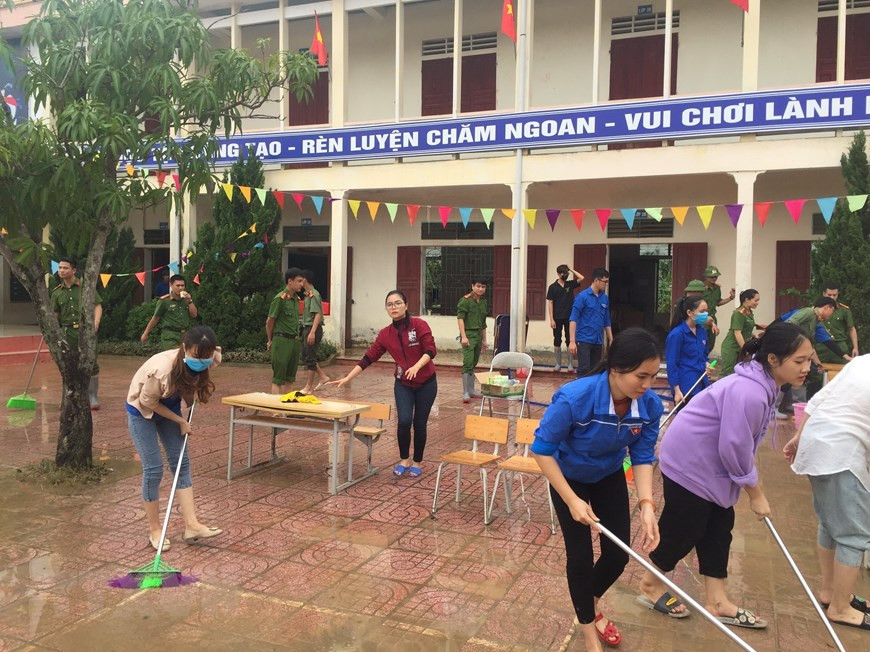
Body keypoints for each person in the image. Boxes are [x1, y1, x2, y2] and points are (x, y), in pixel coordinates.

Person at [638, 322, 814, 629]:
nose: (806, 368)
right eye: (799, 361)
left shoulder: (763, 384)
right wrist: (755, 494)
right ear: (773, 359)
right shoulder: (750, 392)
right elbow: (735, 447)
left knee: (719, 527)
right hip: (689, 460)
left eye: (809, 359)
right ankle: (649, 585)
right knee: (684, 529)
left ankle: (717, 601)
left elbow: (738, 445)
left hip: (709, 461)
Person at [531, 328, 663, 650]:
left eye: (653, 376)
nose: (647, 385)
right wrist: (572, 500)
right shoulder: (574, 398)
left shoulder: (649, 406)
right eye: (641, 376)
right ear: (616, 368)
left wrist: (647, 504)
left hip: (608, 474)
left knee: (618, 556)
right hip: (569, 477)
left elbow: (642, 455)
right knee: (580, 558)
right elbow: (542, 450)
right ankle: (590, 636)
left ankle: (588, 605)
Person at [783, 354, 870, 632]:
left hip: (817, 442)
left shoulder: (861, 362)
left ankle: (831, 592)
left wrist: (799, 437)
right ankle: (841, 608)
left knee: (831, 524)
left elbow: (819, 400)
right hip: (842, 452)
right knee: (854, 535)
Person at [125, 325, 223, 551]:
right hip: (141, 411)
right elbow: (148, 402)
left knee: (181, 463)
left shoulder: (211, 356)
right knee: (153, 469)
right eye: (197, 356)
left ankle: (192, 525)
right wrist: (180, 421)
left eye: (206, 357)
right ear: (184, 348)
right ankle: (155, 530)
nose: (202, 361)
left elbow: (206, 365)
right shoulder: (162, 369)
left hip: (168, 405)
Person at [327, 290, 437, 478]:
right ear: (386, 308)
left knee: (419, 423)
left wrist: (417, 366)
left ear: (406, 305)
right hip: (403, 384)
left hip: (426, 383)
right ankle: (404, 460)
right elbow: (368, 357)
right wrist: (348, 378)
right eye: (389, 304)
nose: (394, 307)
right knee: (404, 421)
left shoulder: (419, 325)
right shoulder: (386, 334)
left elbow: (430, 350)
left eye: (398, 303)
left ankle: (417, 461)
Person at [778, 297, 851, 415]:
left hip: (799, 353)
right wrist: (794, 343)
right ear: (827, 307)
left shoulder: (816, 321)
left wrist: (818, 364)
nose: (832, 314)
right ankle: (774, 408)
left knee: (803, 376)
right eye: (832, 311)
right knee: (786, 377)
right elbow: (789, 324)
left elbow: (811, 346)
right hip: (789, 350)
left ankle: (796, 407)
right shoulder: (808, 312)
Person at [51, 256, 103, 409]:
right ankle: (71, 396)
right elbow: (55, 314)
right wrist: (51, 328)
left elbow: (97, 305)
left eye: (65, 268)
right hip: (67, 332)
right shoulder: (56, 293)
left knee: (91, 362)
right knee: (69, 364)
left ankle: (92, 396)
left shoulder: (85, 287)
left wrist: (96, 322)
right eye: (60, 268)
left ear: (74, 270)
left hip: (85, 331)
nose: (61, 271)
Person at [665, 296, 711, 407]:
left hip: (702, 382)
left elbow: (704, 354)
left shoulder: (702, 331)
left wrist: (706, 363)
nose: (705, 314)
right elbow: (672, 364)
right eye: (702, 311)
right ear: (690, 313)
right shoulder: (677, 334)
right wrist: (676, 390)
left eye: (706, 311)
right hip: (685, 386)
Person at [266, 268, 305, 394]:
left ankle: (287, 405)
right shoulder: (280, 299)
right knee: (278, 379)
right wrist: (270, 339)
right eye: (299, 281)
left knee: (290, 378)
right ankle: (275, 407)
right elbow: (270, 321)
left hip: (294, 341)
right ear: (290, 281)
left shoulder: (296, 300)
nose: (301, 284)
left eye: (302, 281)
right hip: (281, 340)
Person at [568, 268, 612, 377]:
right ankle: (581, 387)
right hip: (584, 339)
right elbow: (573, 319)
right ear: (596, 280)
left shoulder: (604, 298)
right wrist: (572, 341)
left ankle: (592, 388)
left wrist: (611, 339)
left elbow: (606, 320)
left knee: (596, 369)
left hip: (598, 340)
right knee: (584, 368)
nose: (606, 284)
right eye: (604, 281)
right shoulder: (582, 297)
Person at [140, 274, 197, 349]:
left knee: (185, 356)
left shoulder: (186, 299)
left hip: (185, 335)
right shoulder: (165, 301)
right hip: (170, 335)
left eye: (182, 285)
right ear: (171, 285)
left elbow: (194, 315)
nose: (180, 288)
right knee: (173, 355)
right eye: (178, 285)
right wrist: (146, 333)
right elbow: (156, 318)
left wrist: (190, 301)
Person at [547, 264, 584, 372]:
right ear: (558, 274)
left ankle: (570, 364)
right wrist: (551, 319)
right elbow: (550, 303)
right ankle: (558, 364)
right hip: (557, 317)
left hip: (569, 317)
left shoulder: (570, 284)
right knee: (557, 340)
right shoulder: (552, 287)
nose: (566, 275)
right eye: (564, 274)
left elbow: (581, 278)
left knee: (569, 340)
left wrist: (571, 269)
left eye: (567, 274)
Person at [299, 269, 331, 394]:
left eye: (301, 279)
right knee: (305, 356)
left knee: (310, 357)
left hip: (312, 328)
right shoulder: (308, 295)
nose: (299, 282)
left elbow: (317, 314)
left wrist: (312, 332)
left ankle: (308, 387)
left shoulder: (314, 295)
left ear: (305, 280)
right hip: (307, 328)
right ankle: (323, 377)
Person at [457, 277, 488, 403]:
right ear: (473, 286)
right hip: (469, 335)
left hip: (478, 336)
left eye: (483, 287)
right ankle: (465, 391)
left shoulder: (483, 302)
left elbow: (483, 324)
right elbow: (460, 319)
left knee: (474, 362)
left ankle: (471, 390)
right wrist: (463, 336)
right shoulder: (466, 301)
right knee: (468, 362)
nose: (480, 289)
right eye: (478, 286)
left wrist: (484, 340)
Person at [718, 289, 760, 377]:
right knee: (728, 373)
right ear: (747, 300)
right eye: (755, 300)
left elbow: (746, 329)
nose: (757, 303)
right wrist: (745, 349)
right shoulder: (739, 313)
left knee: (738, 373)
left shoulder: (749, 312)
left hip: (740, 347)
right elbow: (737, 333)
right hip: (732, 348)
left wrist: (754, 336)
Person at [816, 283, 860, 364]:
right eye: (829, 295)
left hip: (839, 345)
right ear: (824, 294)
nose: (832, 297)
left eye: (834, 295)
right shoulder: (817, 309)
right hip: (821, 345)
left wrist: (855, 347)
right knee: (818, 368)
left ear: (838, 294)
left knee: (842, 370)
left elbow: (851, 329)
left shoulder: (844, 310)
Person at [701, 265, 736, 354]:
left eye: (715, 277)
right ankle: (701, 360)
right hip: (702, 318)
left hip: (713, 317)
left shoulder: (717, 288)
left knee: (711, 343)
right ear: (706, 277)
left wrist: (730, 298)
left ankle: (704, 358)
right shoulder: (701, 288)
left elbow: (718, 302)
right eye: (711, 277)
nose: (714, 278)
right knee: (701, 342)